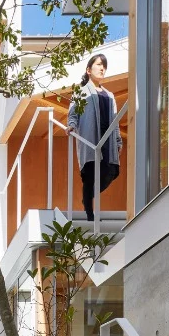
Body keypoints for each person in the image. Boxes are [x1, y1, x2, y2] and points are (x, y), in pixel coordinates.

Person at [67, 53, 122, 222]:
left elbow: (115, 119)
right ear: (88, 70)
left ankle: (88, 197)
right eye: (99, 65)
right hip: (91, 139)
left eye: (104, 65)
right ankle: (90, 215)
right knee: (90, 175)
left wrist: (118, 140)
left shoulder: (110, 95)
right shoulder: (82, 92)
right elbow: (73, 112)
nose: (102, 68)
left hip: (108, 141)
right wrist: (71, 124)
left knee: (112, 171)